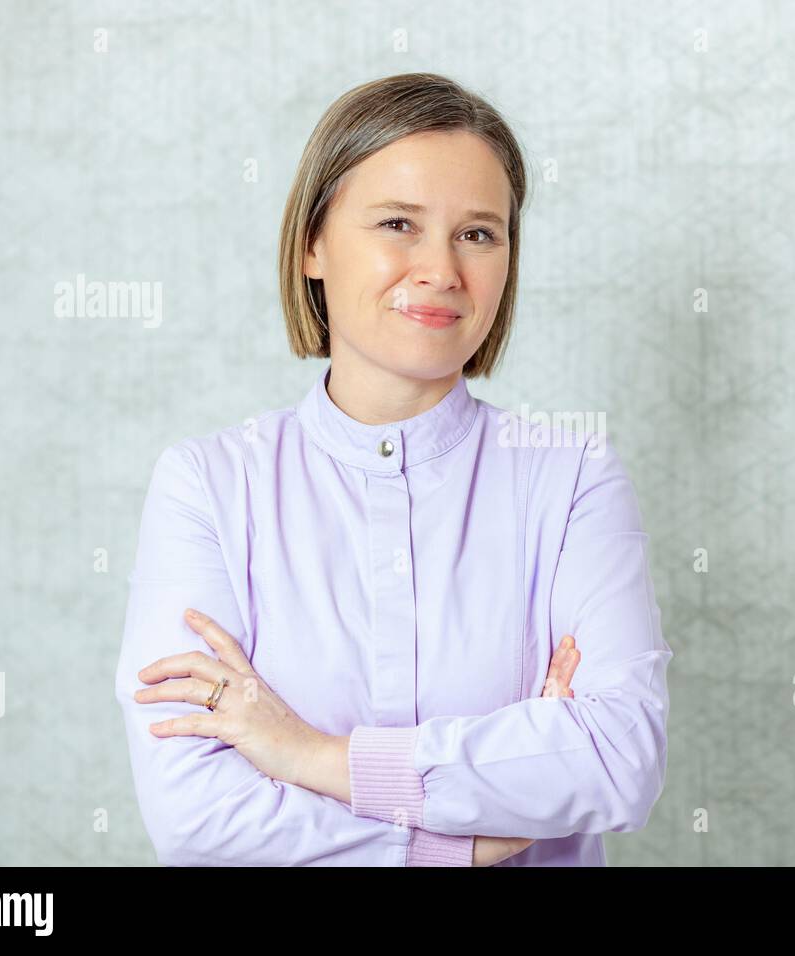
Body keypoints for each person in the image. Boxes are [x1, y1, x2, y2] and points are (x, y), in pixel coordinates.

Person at [112, 72, 672, 866]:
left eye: (478, 233)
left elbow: (619, 762)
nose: (441, 269)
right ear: (313, 242)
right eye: (399, 223)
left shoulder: (573, 477)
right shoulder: (207, 486)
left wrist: (304, 755)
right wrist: (466, 843)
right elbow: (199, 822)